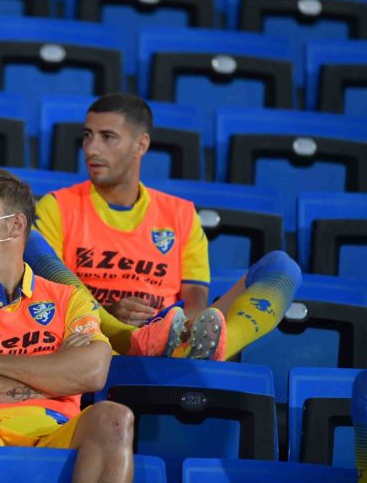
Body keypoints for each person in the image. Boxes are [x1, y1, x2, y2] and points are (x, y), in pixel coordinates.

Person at [26, 92, 301, 361]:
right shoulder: (58, 206)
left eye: (107, 137)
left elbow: (195, 302)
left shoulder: (180, 213)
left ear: (141, 145)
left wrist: (178, 329)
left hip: (170, 336)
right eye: (88, 135)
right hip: (96, 336)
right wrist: (108, 311)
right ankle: (132, 339)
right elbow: (50, 294)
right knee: (31, 242)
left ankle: (214, 350)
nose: (91, 149)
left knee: (281, 266)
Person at [0, 169, 134, 483]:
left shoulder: (68, 298)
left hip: (57, 431)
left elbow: (92, 373)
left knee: (114, 417)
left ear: (15, 225)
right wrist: (55, 373)